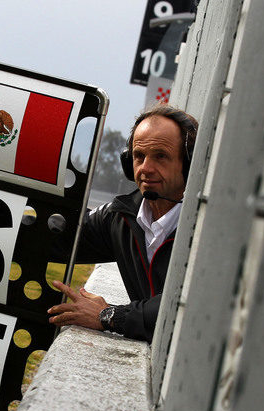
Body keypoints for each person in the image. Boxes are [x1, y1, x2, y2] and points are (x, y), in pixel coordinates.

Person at [48, 104, 198, 341]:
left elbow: (184, 304)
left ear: (189, 165)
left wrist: (109, 316)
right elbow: (54, 237)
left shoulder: (205, 229)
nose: (146, 168)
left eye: (161, 156)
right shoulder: (120, 217)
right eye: (139, 156)